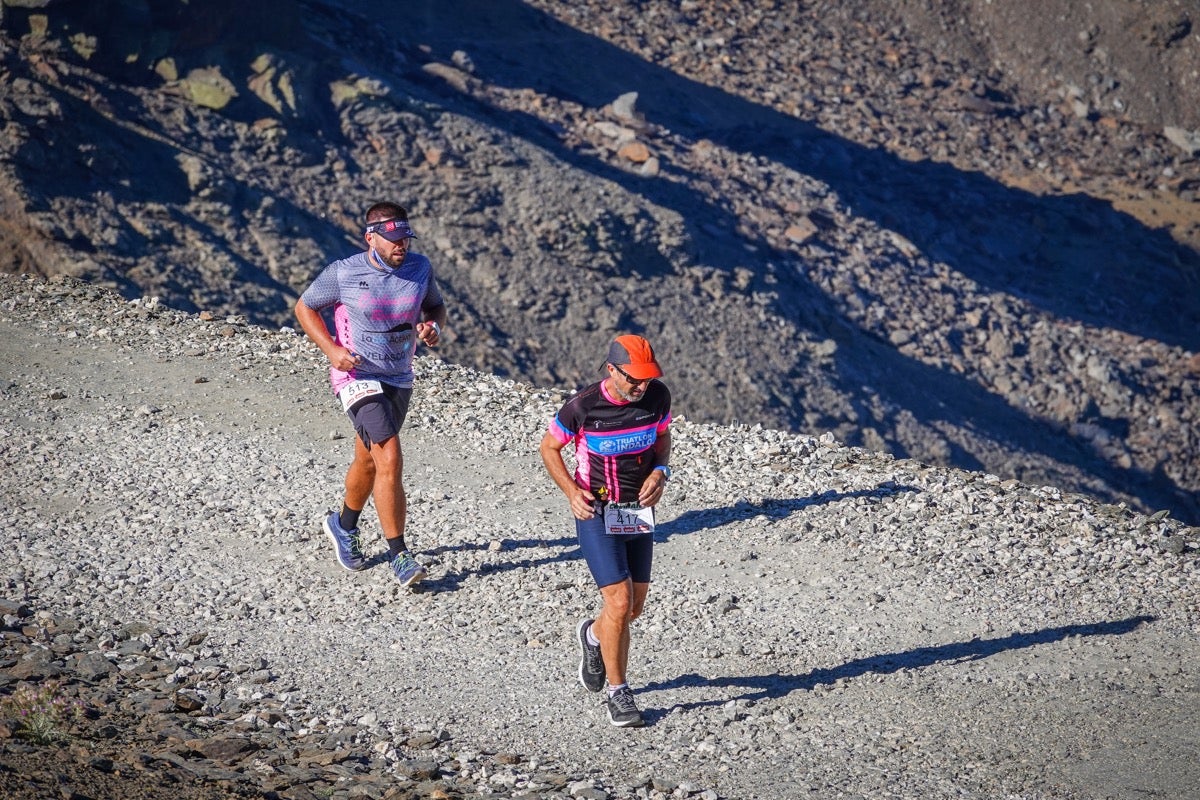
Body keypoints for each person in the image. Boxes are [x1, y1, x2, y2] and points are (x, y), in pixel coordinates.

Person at [294, 201, 447, 588]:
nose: (402, 246)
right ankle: (400, 554)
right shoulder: (345, 272)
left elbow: (435, 307)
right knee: (390, 455)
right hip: (356, 375)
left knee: (368, 460)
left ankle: (343, 525)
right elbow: (305, 307)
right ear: (371, 237)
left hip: (398, 375)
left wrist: (433, 328)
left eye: (405, 238)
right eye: (393, 239)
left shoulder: (420, 268)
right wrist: (332, 350)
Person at [539, 334, 673, 728]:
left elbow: (662, 438)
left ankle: (594, 636)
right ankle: (620, 694)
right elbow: (549, 448)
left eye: (647, 379)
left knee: (632, 608)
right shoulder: (582, 406)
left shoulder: (657, 398)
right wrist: (570, 491)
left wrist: (659, 472)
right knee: (617, 602)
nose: (641, 387)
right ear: (611, 369)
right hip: (596, 511)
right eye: (633, 379)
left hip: (637, 513)